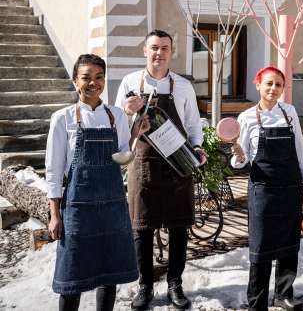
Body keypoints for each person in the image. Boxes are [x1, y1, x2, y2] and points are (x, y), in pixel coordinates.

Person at [115, 30, 207, 310]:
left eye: (164, 48)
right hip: (143, 164)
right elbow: (117, 125)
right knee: (141, 228)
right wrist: (127, 111)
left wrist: (197, 148)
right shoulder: (130, 82)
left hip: (178, 163)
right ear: (145, 50)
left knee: (179, 227)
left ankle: (175, 284)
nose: (159, 53)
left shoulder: (183, 86)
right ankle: (144, 286)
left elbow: (192, 123)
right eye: (154, 48)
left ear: (172, 51)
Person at [46, 54, 144, 311]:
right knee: (72, 277)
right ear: (75, 81)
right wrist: (55, 214)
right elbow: (54, 171)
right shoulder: (63, 118)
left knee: (109, 274)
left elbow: (122, 156)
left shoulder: (117, 115)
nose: (93, 83)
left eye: (99, 77)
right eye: (86, 77)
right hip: (78, 209)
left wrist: (135, 133)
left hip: (112, 206)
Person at [230, 66, 303, 311]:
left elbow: (300, 149)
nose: (273, 89)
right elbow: (240, 162)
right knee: (261, 245)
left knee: (290, 242)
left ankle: (284, 293)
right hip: (263, 190)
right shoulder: (246, 117)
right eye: (268, 84)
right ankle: (257, 301)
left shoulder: (290, 113)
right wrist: (237, 155)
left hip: (290, 187)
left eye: (278, 84)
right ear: (258, 85)